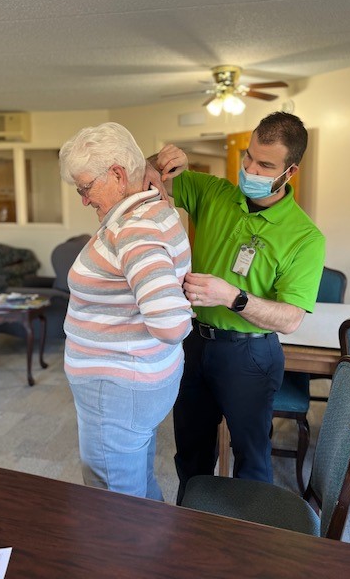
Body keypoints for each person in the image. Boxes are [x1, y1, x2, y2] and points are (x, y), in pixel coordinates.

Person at [146, 111, 325, 504]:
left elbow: (291, 319)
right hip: (193, 343)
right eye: (248, 157)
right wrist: (158, 160)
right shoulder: (214, 192)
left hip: (251, 354)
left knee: (252, 460)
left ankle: (248, 545)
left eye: (265, 164)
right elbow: (143, 177)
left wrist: (233, 297)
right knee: (190, 454)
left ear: (290, 170)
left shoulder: (305, 237)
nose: (250, 168)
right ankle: (190, 529)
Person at [59, 122, 193, 500]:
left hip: (116, 385)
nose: (84, 199)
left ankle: (129, 560)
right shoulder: (157, 209)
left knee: (114, 498)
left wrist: (179, 308)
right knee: (136, 482)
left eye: (85, 187)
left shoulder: (134, 230)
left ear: (118, 174)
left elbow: (169, 324)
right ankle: (153, 555)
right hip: (139, 377)